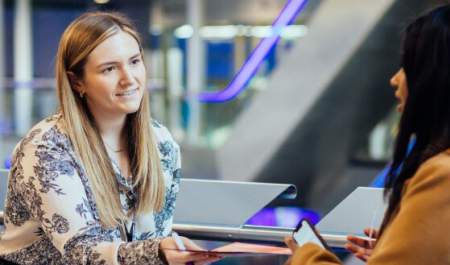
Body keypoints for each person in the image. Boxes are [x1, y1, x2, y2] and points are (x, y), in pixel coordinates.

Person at [0, 12, 219, 265]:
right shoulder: (46, 147)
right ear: (77, 82)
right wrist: (158, 251)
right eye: (110, 68)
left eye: (135, 61)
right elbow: (81, 252)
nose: (129, 79)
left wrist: (170, 250)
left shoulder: (161, 142)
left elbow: (156, 234)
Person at [285, 4, 450, 265]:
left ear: (436, 79)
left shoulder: (441, 176)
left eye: (408, 66)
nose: (395, 79)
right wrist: (397, 247)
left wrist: (307, 255)